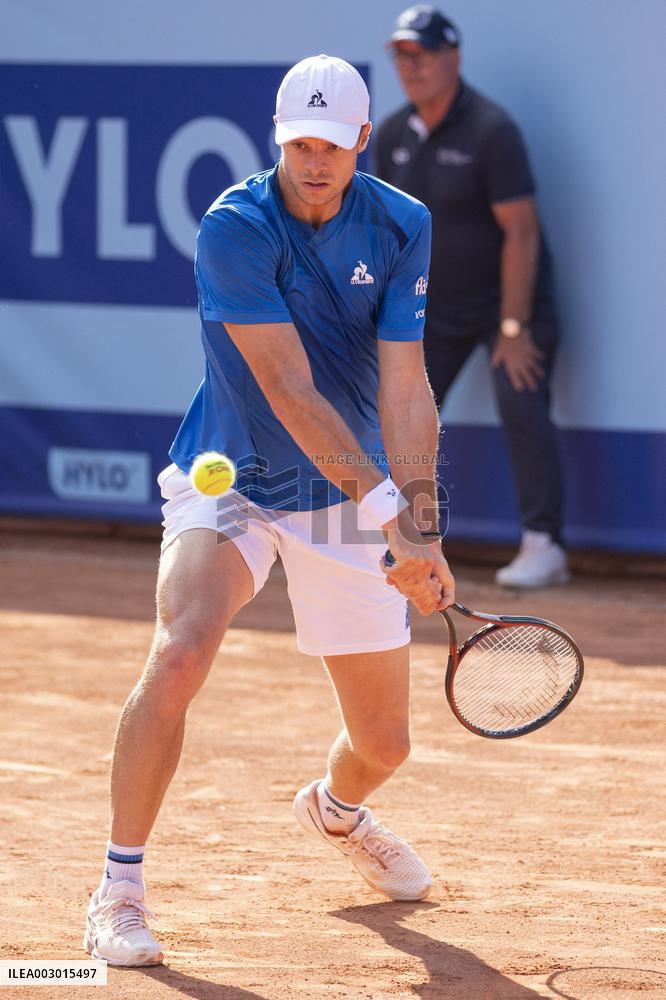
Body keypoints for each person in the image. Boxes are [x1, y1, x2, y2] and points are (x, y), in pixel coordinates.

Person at [83, 53, 455, 967]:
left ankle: (336, 810)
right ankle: (117, 888)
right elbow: (286, 385)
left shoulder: (403, 225)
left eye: (332, 144)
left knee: (386, 743)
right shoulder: (236, 225)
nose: (314, 161)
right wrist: (388, 510)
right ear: (277, 139)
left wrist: (423, 519)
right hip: (235, 476)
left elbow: (406, 388)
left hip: (347, 494)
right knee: (180, 649)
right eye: (299, 144)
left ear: (364, 140)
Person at [374, 5, 569, 588]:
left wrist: (514, 327)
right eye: (403, 56)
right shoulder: (389, 135)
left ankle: (544, 544)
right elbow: (385, 237)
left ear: (452, 58)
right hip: (434, 309)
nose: (413, 67)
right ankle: (400, 538)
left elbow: (522, 231)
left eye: (424, 54)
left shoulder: (492, 130)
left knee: (521, 398)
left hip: (507, 307)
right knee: (400, 412)